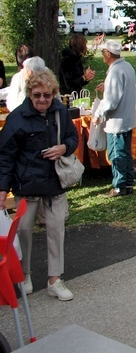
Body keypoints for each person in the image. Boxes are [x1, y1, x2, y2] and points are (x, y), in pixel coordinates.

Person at [0, 68, 79, 301]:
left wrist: (64, 148)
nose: (42, 100)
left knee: (56, 230)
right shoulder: (17, 118)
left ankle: (55, 279)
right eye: (37, 95)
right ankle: (24, 276)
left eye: (46, 95)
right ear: (29, 94)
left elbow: (72, 137)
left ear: (53, 94)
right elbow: (5, 157)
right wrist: (2, 190)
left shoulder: (60, 112)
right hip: (27, 185)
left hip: (54, 183)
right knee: (24, 231)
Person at [93, 40, 136, 197]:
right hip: (127, 118)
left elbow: (111, 101)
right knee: (125, 152)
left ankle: (119, 186)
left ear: (108, 53)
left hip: (117, 121)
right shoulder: (127, 67)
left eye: (103, 53)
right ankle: (128, 183)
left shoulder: (115, 71)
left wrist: (98, 113)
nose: (102, 56)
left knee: (116, 153)